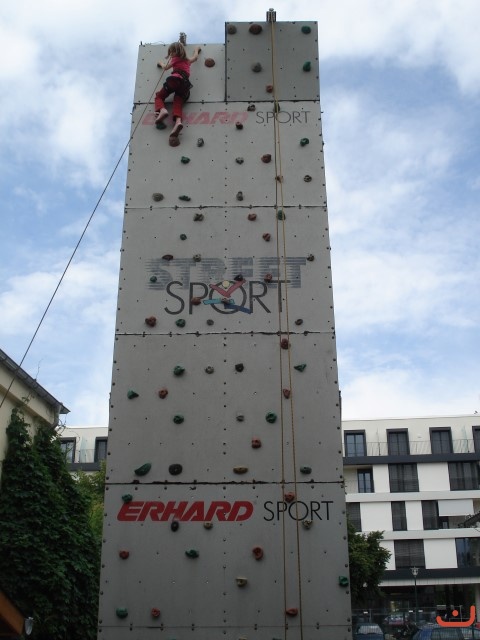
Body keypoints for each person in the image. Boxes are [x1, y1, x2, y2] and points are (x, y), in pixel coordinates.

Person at [155, 42, 201, 137]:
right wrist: (197, 50)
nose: (171, 54)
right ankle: (178, 122)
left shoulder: (175, 59)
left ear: (177, 51)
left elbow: (166, 67)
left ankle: (162, 110)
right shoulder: (187, 60)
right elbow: (195, 57)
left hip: (174, 80)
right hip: (185, 84)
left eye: (172, 52)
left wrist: (160, 63)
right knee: (178, 103)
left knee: (159, 96)